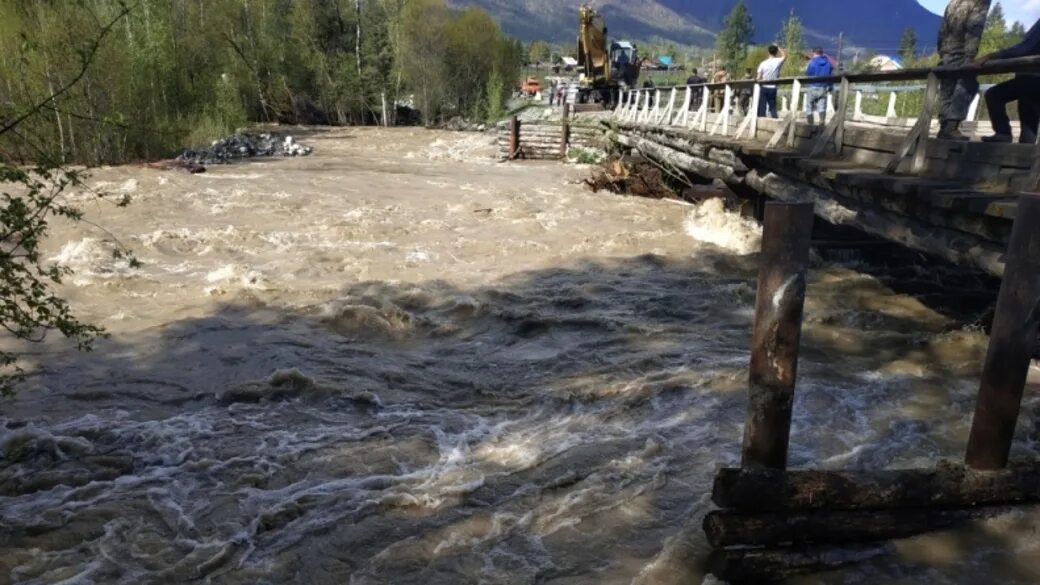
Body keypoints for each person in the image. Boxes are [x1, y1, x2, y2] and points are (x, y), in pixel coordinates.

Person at [977, 18, 1040, 143]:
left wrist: (993, 55)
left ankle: (1003, 133)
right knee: (1029, 122)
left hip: (1032, 78)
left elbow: (1024, 48)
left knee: (994, 95)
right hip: (1030, 78)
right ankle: (1022, 152)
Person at [936, 0, 992, 140]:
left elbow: (942, 29)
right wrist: (970, 57)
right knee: (967, 85)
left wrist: (942, 52)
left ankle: (943, 127)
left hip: (946, 51)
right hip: (962, 52)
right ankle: (951, 126)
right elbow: (974, 28)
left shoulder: (953, 3)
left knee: (947, 89)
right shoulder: (979, 2)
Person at [805, 48, 833, 126]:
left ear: (814, 53)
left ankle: (810, 124)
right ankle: (821, 122)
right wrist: (830, 87)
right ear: (822, 53)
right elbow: (831, 76)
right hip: (823, 88)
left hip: (812, 86)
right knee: (822, 106)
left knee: (809, 106)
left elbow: (808, 73)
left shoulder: (812, 62)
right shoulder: (828, 63)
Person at [757, 45, 786, 118]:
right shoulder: (778, 61)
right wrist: (779, 47)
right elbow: (785, 56)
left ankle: (761, 120)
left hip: (764, 86)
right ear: (776, 52)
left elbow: (758, 77)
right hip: (773, 87)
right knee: (772, 106)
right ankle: (775, 119)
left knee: (762, 106)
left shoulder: (763, 63)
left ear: (768, 52)